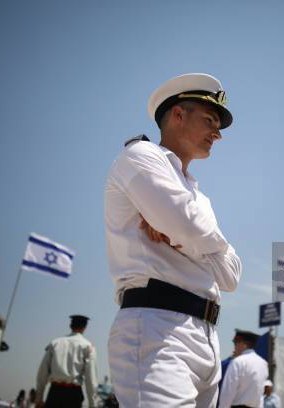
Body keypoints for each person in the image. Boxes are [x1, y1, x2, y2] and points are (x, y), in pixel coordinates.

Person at [105, 73, 242, 407]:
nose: (218, 134)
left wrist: (192, 234)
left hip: (206, 337)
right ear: (178, 114)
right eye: (210, 120)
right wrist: (193, 232)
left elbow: (231, 276)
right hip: (157, 326)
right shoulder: (140, 155)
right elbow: (188, 226)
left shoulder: (198, 195)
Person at [36, 315, 98, 408]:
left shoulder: (55, 343)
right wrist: (92, 405)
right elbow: (91, 379)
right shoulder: (88, 347)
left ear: (71, 326)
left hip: (54, 393)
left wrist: (39, 398)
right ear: (84, 327)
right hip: (73, 395)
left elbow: (42, 373)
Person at [218, 330, 268, 408]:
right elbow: (260, 394)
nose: (234, 347)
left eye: (235, 343)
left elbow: (227, 393)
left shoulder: (237, 362)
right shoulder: (263, 364)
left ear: (243, 344)